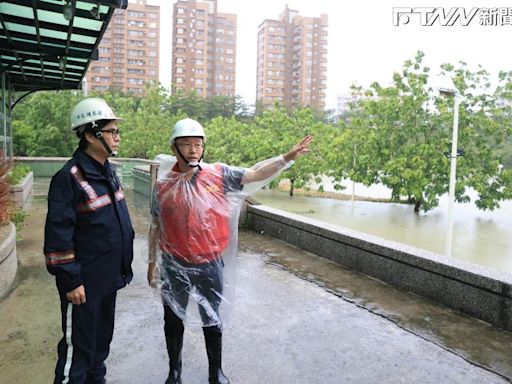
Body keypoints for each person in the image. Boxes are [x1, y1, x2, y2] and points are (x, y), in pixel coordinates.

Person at [147, 118, 313, 384]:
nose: (193, 150)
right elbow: (156, 224)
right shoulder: (164, 185)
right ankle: (174, 372)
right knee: (173, 318)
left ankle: (216, 372)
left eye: (198, 145)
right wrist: (152, 262)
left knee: (212, 317)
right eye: (187, 145)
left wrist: (286, 158)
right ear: (174, 147)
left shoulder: (218, 174)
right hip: (173, 262)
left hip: (209, 262)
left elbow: (256, 174)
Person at [44, 97, 135, 384]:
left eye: (117, 131)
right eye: (111, 131)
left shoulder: (108, 171)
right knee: (78, 354)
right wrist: (71, 280)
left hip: (108, 278)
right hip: (83, 285)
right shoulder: (68, 177)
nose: (117, 137)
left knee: (100, 346)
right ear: (89, 134)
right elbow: (58, 233)